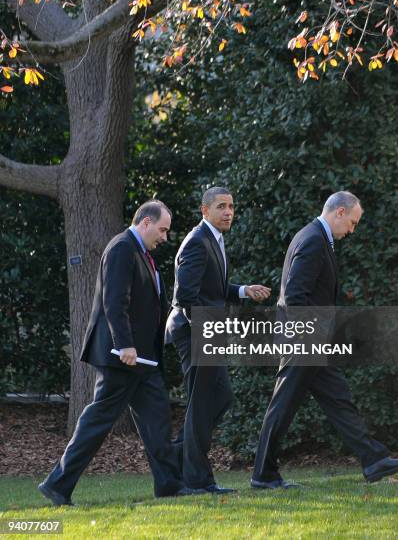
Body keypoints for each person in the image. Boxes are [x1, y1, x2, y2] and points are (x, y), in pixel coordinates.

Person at [39, 200, 201, 506]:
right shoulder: (122, 248)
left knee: (157, 420)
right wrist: (124, 344)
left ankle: (169, 485)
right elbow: (115, 302)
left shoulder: (139, 252)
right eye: (162, 229)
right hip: (122, 356)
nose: (165, 237)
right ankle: (57, 485)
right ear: (145, 223)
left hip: (144, 359)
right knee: (98, 420)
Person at [251, 191, 398, 489]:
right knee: (282, 406)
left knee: (338, 399)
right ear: (339, 212)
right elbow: (296, 295)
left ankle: (374, 460)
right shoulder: (313, 240)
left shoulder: (315, 237)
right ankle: (263, 475)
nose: (351, 230)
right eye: (352, 222)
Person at [165, 187, 271, 493]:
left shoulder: (214, 239)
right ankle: (197, 480)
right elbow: (185, 296)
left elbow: (213, 287)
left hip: (205, 330)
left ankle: (178, 457)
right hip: (196, 331)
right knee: (202, 404)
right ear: (205, 210)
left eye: (231, 206)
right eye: (221, 206)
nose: (228, 212)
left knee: (220, 397)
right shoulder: (198, 241)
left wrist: (242, 291)